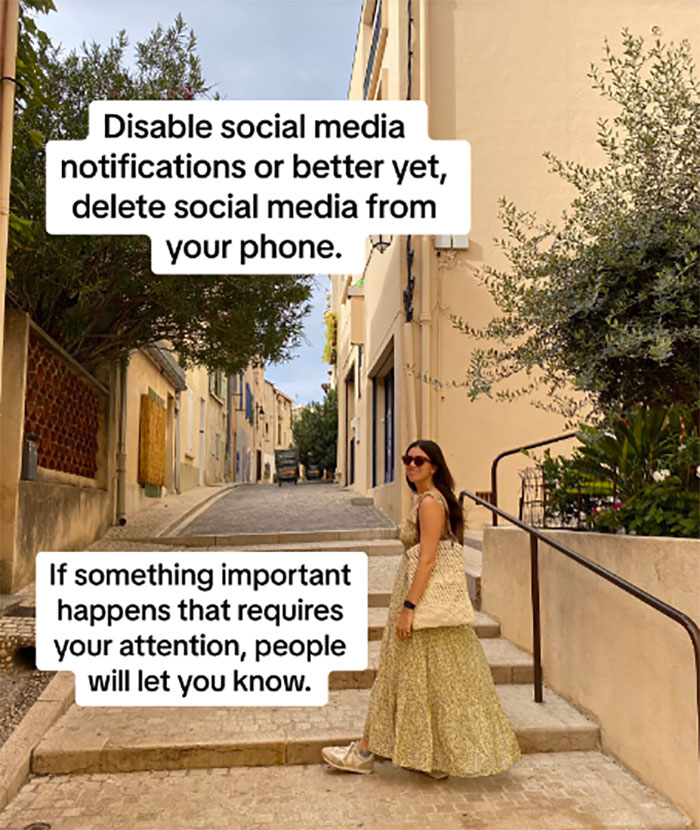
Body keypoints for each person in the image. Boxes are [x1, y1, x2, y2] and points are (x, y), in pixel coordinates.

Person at [322, 439, 521, 778]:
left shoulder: (430, 503)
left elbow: (427, 560)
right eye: (407, 459)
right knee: (427, 680)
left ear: (434, 467)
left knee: (400, 676)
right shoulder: (434, 501)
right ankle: (431, 757)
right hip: (427, 602)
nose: (411, 465)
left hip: (422, 600)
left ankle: (365, 750)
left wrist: (409, 607)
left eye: (419, 460)